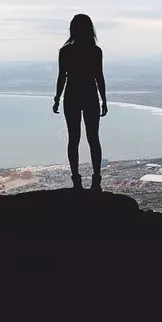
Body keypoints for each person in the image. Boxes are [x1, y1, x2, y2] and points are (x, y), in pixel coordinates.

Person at [53, 13, 108, 190]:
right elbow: (99, 77)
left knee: (73, 139)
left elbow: (62, 77)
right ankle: (96, 180)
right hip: (90, 95)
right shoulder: (95, 51)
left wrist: (56, 98)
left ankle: (76, 179)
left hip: (71, 95)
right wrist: (104, 100)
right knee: (94, 139)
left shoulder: (65, 51)